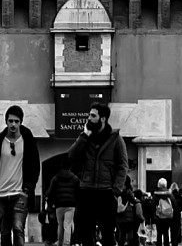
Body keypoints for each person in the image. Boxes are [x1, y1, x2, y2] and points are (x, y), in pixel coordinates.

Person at [69, 105, 129, 246]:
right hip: (86, 191)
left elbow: (123, 165)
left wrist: (116, 189)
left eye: (93, 116)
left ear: (103, 118)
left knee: (108, 234)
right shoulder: (85, 137)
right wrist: (84, 136)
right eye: (89, 115)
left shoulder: (115, 139)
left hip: (106, 193)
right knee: (84, 232)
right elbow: (71, 156)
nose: (89, 118)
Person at [46, 155, 78, 246]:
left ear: (61, 166)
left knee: (60, 224)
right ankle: (67, 243)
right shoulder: (75, 179)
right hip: (71, 205)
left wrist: (50, 204)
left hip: (59, 204)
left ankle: (60, 242)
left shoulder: (56, 178)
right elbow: (78, 192)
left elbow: (50, 192)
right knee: (67, 224)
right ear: (70, 167)